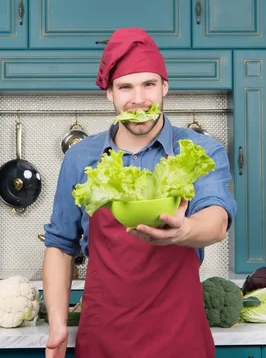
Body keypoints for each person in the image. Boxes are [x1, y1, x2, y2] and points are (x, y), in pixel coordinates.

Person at [42, 27, 237, 358]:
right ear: (110, 94)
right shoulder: (81, 158)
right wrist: (58, 326)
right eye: (125, 87)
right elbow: (60, 246)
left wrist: (185, 229)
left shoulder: (199, 150)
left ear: (165, 87)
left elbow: (216, 219)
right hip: (105, 336)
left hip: (179, 334)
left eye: (149, 84)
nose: (138, 99)